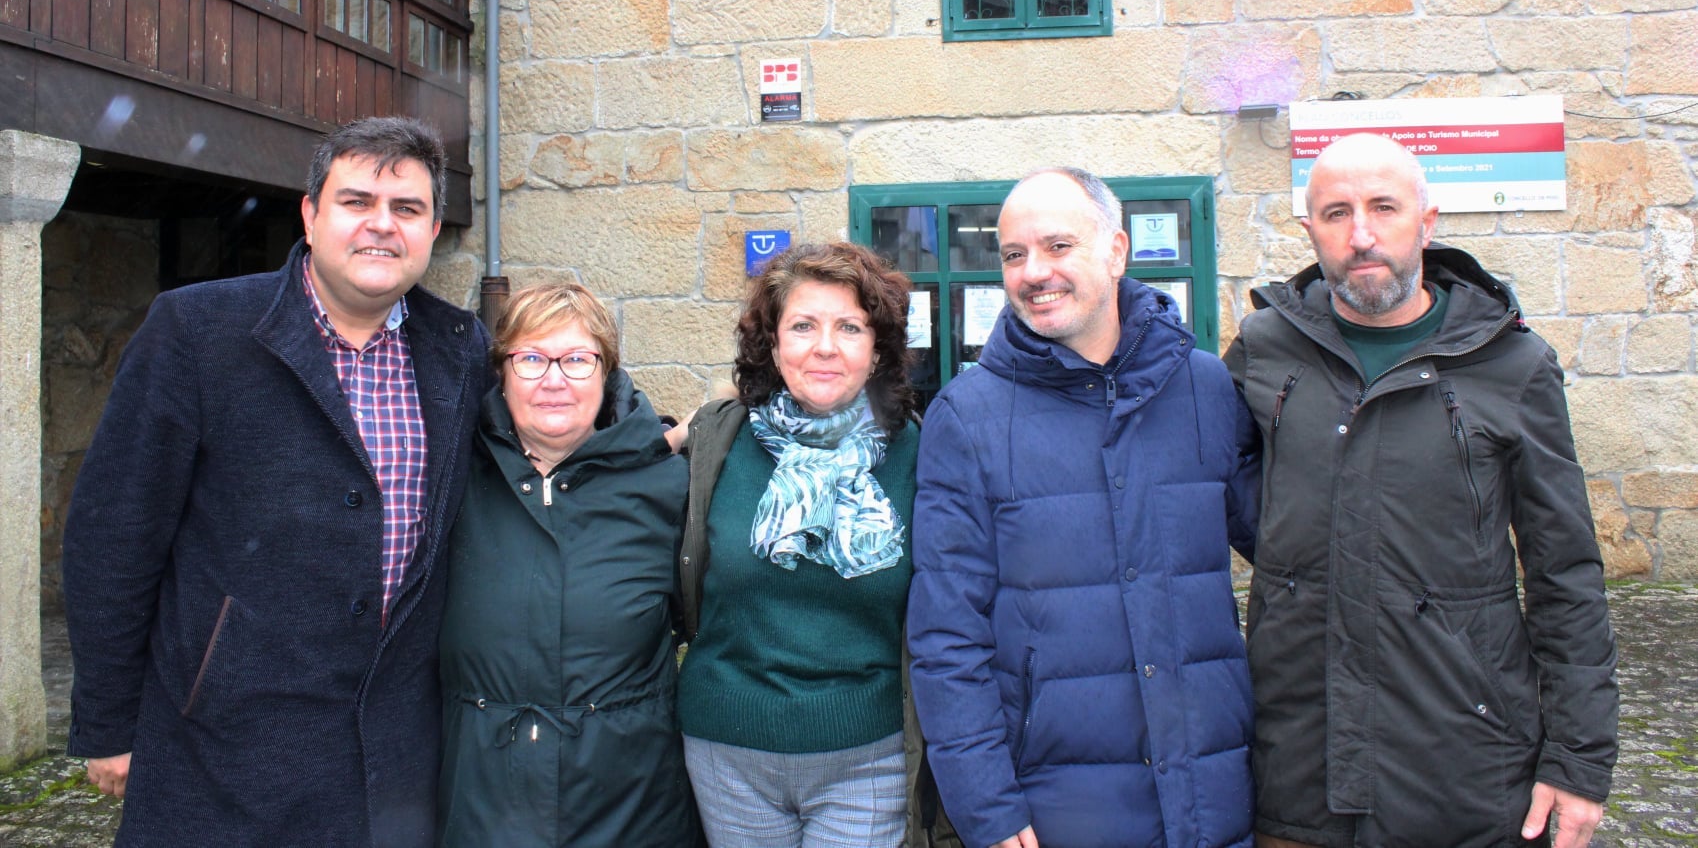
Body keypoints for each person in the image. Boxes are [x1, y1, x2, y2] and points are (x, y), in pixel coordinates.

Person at [62, 118, 489, 848]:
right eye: (356, 202)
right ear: (311, 213)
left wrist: (666, 433)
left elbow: (559, 414)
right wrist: (107, 721)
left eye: (406, 209)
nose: (381, 226)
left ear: (432, 226)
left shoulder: (460, 348)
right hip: (223, 745)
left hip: (393, 758)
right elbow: (115, 533)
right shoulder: (197, 332)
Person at [1224, 133, 1618, 848]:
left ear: (1428, 223)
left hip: (1462, 766)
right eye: (1336, 214)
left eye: (1384, 208)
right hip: (1296, 765)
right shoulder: (1264, 347)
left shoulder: (1513, 364)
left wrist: (1579, 759)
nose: (1362, 235)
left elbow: (1565, 573)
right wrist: (1296, 562)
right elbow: (1215, 481)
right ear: (1310, 230)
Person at [908, 167, 1261, 848]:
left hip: (1212, 795)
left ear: (1116, 251)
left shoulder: (1203, 389)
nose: (1034, 271)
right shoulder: (970, 416)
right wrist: (987, 807)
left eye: (1057, 246)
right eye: (1014, 255)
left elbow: (1296, 549)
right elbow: (946, 634)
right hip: (1057, 809)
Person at [676, 241, 942, 848]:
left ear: (877, 351)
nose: (825, 346)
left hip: (866, 752)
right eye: (803, 326)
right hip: (727, 749)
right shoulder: (718, 440)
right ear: (772, 345)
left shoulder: (921, 456)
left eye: (849, 327)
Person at [436, 282, 701, 846]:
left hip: (633, 810)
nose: (553, 379)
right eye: (531, 358)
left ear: (605, 373)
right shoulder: (452, 478)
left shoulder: (669, 486)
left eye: (577, 360)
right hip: (483, 807)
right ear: (501, 373)